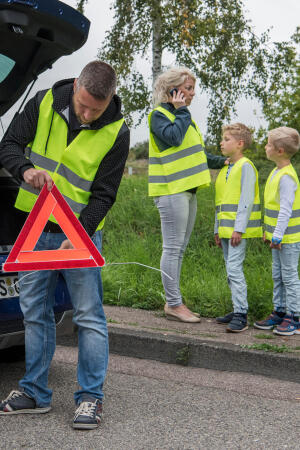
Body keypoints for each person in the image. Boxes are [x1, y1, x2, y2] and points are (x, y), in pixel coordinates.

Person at [0, 61, 129, 429]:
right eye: (83, 104)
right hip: (35, 228)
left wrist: (74, 234)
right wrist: (24, 170)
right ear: (75, 86)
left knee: (89, 317)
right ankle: (35, 393)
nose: (87, 115)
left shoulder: (118, 132)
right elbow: (7, 146)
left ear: (109, 102)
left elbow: (104, 196)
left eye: (96, 110)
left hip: (81, 234)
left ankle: (91, 399)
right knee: (34, 312)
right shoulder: (43, 102)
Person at [148, 67, 226, 323]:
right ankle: (173, 304)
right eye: (188, 88)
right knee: (172, 248)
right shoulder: (159, 116)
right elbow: (173, 138)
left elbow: (198, 154)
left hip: (187, 191)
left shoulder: (184, 117)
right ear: (173, 90)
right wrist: (181, 110)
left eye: (193, 89)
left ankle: (175, 302)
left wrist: (224, 161)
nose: (193, 94)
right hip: (171, 191)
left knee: (179, 249)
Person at [214, 123, 262, 332]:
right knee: (229, 270)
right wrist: (217, 228)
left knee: (234, 269)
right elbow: (221, 201)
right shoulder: (227, 168)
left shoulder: (246, 167)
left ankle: (241, 314)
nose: (221, 143)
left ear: (240, 144)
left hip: (237, 231)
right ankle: (237, 308)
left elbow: (246, 200)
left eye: (226, 139)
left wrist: (239, 228)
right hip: (225, 230)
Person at [254, 127, 300, 336]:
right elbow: (271, 208)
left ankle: (295, 316)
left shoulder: (287, 178)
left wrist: (278, 235)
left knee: (289, 276)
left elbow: (285, 210)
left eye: (268, 144)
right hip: (277, 237)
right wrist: (269, 232)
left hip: (287, 239)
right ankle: (280, 311)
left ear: (279, 150)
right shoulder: (276, 172)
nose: (265, 147)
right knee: (278, 275)